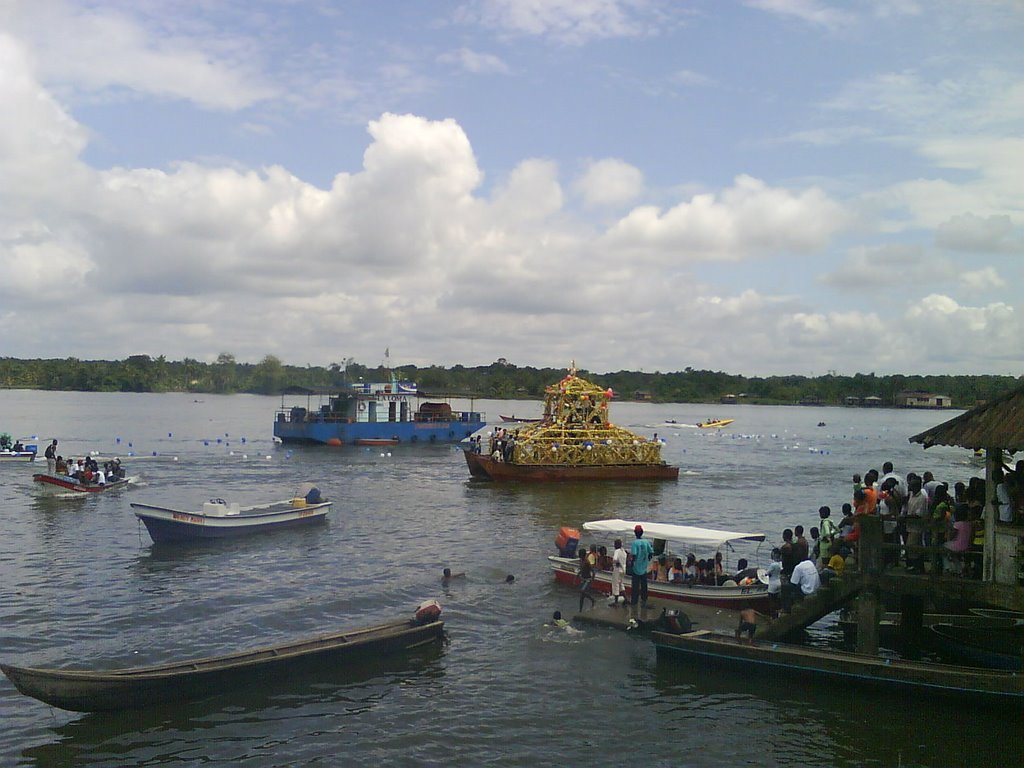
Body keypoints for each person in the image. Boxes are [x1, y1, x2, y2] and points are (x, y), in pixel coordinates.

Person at [630, 525, 654, 608]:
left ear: (635, 533)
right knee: (644, 586)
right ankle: (644, 601)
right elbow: (651, 552)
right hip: (644, 568)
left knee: (635, 587)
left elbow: (634, 555)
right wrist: (646, 559)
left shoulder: (635, 543)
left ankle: (634, 602)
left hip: (636, 568)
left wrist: (631, 563)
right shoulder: (646, 542)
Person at [609, 539, 628, 605]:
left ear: (616, 545)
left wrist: (616, 562)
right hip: (623, 569)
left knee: (616, 584)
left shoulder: (617, 551)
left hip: (617, 569)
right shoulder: (624, 552)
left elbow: (615, 559)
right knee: (621, 584)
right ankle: (626, 599)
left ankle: (616, 602)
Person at [765, 548, 782, 618]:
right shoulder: (780, 563)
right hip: (779, 582)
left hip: (773, 584)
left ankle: (773, 617)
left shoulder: (773, 565)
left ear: (775, 555)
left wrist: (767, 574)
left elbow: (767, 573)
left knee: (771, 601)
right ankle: (778, 615)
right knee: (777, 600)